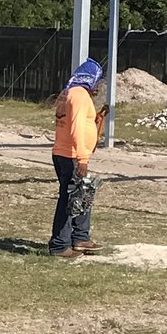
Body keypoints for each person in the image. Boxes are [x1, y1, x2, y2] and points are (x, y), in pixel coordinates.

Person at [50, 56, 101, 256]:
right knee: (70, 199)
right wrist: (82, 158)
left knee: (83, 195)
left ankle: (81, 237)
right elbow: (77, 127)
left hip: (65, 153)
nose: (97, 87)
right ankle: (60, 245)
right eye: (97, 81)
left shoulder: (68, 93)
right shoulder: (79, 96)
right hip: (71, 155)